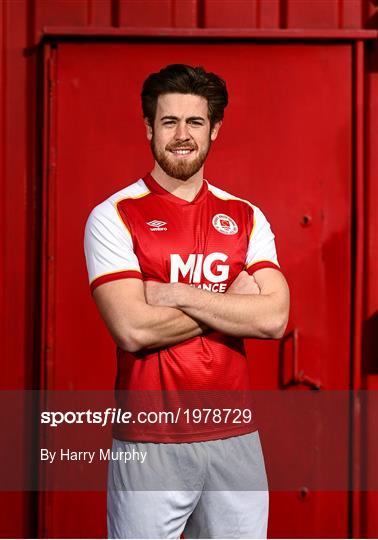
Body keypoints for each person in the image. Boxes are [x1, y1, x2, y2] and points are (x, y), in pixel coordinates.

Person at [84, 64, 290, 539]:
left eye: (195, 122)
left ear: (214, 129)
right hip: (150, 440)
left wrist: (175, 294)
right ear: (148, 128)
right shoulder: (114, 215)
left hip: (236, 438)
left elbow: (275, 318)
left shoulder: (245, 216)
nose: (181, 135)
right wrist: (230, 306)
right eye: (168, 121)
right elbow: (133, 328)